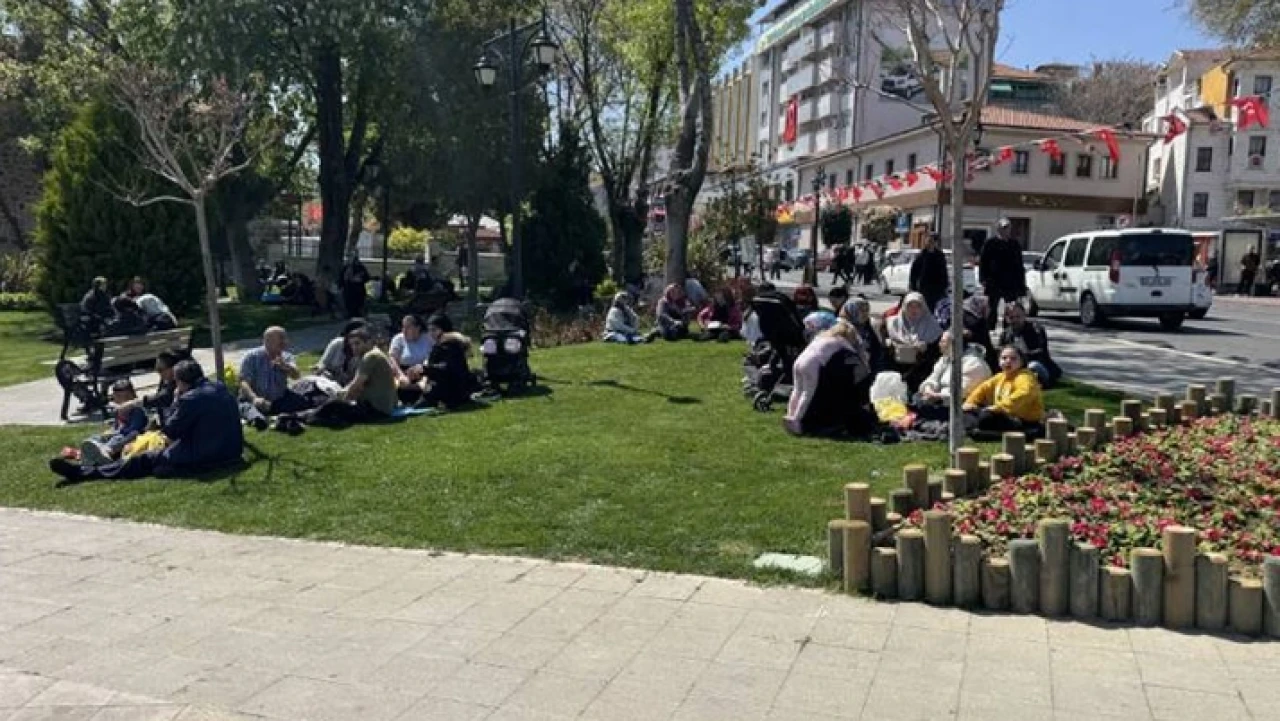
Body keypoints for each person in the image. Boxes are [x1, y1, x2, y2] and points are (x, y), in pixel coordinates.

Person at [49, 360, 244, 485]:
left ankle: (85, 473)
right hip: (231, 452)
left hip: (206, 456)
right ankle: (90, 469)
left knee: (144, 459)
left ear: (182, 382)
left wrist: (176, 402)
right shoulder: (219, 388)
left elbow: (171, 431)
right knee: (155, 461)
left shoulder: (189, 399)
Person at [784, 321, 876, 437]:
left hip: (799, 361)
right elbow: (853, 351)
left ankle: (790, 414)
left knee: (797, 390)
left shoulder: (821, 337)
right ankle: (797, 420)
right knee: (807, 392)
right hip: (811, 364)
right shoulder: (840, 341)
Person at [309, 327, 399, 425]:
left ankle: (308, 418)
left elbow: (356, 385)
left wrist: (342, 399)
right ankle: (309, 416)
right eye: (351, 344)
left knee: (333, 405)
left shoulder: (371, 356)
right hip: (381, 407)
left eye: (357, 343)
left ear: (368, 342)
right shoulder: (372, 354)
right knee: (332, 405)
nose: (354, 347)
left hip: (376, 410)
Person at [964, 345, 1045, 437]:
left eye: (1013, 359)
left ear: (1022, 361)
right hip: (1003, 415)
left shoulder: (1025, 377)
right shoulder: (1001, 376)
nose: (1008, 361)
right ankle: (974, 428)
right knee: (968, 412)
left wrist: (997, 408)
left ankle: (979, 431)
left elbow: (1023, 394)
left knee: (985, 417)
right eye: (1004, 358)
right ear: (999, 361)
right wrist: (970, 403)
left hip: (1023, 420)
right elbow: (981, 390)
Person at [915, 332, 992, 416]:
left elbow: (962, 392)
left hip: (961, 407)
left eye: (943, 341)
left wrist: (938, 396)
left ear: (954, 345)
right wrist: (928, 390)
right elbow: (933, 378)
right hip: (939, 399)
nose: (939, 344)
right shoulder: (945, 358)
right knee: (916, 399)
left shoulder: (974, 364)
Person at [76, 380, 149, 467]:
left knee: (117, 438)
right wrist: (110, 432)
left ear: (130, 396)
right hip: (117, 434)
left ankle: (105, 453)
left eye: (119, 396)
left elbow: (134, 431)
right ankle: (92, 454)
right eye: (115, 396)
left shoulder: (137, 411)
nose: (115, 399)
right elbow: (116, 426)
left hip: (129, 438)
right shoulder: (119, 410)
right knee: (97, 437)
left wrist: (117, 433)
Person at [238, 326, 309, 417]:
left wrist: (285, 367)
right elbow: (244, 382)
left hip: (279, 398)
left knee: (304, 402)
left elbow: (296, 376)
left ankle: (271, 411)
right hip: (254, 398)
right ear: (268, 341)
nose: (285, 342)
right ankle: (257, 417)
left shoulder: (286, 356)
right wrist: (254, 398)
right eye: (281, 338)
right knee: (249, 409)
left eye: (285, 338)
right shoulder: (252, 357)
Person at [884, 291, 944, 392]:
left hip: (922, 371)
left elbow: (939, 351)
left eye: (917, 306)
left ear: (923, 308)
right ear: (904, 307)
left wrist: (926, 348)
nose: (913, 310)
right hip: (896, 370)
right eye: (910, 306)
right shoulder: (892, 323)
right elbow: (881, 346)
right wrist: (888, 344)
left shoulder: (932, 325)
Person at [416, 314, 476, 409]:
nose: (431, 333)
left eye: (434, 330)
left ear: (443, 329)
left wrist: (425, 369)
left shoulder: (449, 345)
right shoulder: (446, 344)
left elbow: (446, 369)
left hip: (452, 390)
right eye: (430, 330)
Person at [999, 303, 1061, 388]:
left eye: (1018, 316)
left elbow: (1040, 353)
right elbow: (1001, 353)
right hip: (1016, 366)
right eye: (1011, 317)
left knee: (1033, 365)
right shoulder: (1005, 334)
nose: (1015, 320)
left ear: (1024, 315)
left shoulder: (1036, 330)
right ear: (1007, 319)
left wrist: (1020, 357)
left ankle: (1042, 384)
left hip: (1038, 366)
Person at [979, 218, 1027, 328]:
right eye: (1003, 228)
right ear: (998, 229)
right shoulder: (990, 243)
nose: (1006, 231)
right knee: (992, 307)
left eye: (1008, 228)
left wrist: (1021, 285)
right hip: (993, 281)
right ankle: (989, 329)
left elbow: (1019, 266)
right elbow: (983, 262)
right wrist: (983, 279)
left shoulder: (1014, 245)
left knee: (1010, 307)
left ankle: (1009, 329)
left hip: (1010, 282)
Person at [315, 319, 368, 386]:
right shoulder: (337, 343)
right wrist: (320, 369)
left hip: (349, 387)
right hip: (328, 382)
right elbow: (323, 363)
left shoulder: (364, 352)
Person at [838, 296, 885, 372]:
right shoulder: (841, 328)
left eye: (867, 310)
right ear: (851, 310)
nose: (865, 314)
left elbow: (876, 351)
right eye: (862, 310)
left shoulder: (868, 327)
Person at [389, 314, 434, 383]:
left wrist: (424, 375)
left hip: (423, 373)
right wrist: (401, 375)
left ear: (418, 328)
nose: (404, 330)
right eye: (403, 327)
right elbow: (393, 359)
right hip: (402, 374)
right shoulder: (398, 339)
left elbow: (430, 358)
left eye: (408, 327)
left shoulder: (428, 339)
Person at [909, 234, 949, 310]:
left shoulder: (940, 255)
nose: (930, 243)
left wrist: (945, 286)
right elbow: (914, 272)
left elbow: (944, 272)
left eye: (932, 241)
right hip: (925, 288)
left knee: (937, 309)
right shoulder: (921, 256)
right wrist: (913, 287)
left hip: (938, 288)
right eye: (928, 241)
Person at [341, 252, 370, 319]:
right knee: (349, 303)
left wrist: (360, 279)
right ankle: (350, 314)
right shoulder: (346, 268)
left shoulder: (361, 268)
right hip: (349, 288)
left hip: (358, 288)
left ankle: (358, 314)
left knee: (358, 303)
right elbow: (342, 278)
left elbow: (367, 277)